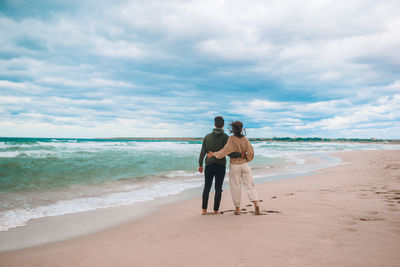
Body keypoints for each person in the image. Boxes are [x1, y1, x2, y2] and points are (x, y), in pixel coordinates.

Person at [207, 121, 260, 215]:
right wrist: (246, 159)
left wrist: (213, 154)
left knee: (235, 187)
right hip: (244, 165)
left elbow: (224, 151)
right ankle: (255, 202)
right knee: (249, 185)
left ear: (233, 129)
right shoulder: (245, 139)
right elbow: (251, 152)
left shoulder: (231, 139)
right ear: (241, 128)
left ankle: (237, 209)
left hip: (235, 166)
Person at [198, 116, 243, 215]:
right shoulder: (226, 137)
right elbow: (230, 152)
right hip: (220, 166)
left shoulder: (207, 137)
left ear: (214, 124)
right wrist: (240, 155)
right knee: (218, 188)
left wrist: (200, 164)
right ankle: (215, 211)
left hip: (209, 165)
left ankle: (204, 210)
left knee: (207, 187)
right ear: (222, 125)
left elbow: (203, 151)